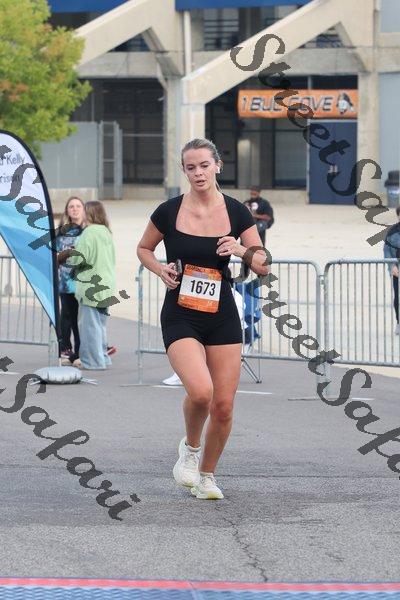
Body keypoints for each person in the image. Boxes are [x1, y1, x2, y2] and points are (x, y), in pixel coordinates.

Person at [137, 137, 268, 500]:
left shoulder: (237, 212)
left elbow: (264, 264)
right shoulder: (168, 211)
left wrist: (241, 249)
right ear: (184, 171)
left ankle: (207, 476)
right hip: (180, 312)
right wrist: (159, 269)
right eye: (191, 167)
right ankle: (191, 450)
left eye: (204, 165)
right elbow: (144, 248)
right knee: (201, 392)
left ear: (217, 166)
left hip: (221, 313)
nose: (198, 173)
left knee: (223, 406)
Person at [59, 201, 116, 370]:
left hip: (91, 286)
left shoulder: (89, 233)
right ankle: (103, 358)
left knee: (90, 327)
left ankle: (94, 362)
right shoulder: (106, 231)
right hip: (106, 284)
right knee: (100, 326)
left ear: (89, 213)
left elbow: (79, 259)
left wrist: (68, 254)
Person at [56, 196, 85, 366]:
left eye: (78, 206)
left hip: (82, 282)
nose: (74, 209)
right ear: (67, 210)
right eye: (71, 206)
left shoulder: (87, 230)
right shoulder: (61, 231)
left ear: (83, 209)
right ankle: (65, 349)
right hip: (65, 282)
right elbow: (54, 253)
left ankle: (80, 351)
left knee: (80, 319)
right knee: (66, 317)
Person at [384, 206, 400, 334]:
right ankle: (399, 322)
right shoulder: (392, 231)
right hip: (397, 270)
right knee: (398, 298)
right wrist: (392, 266)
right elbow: (387, 250)